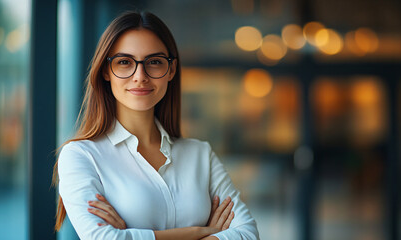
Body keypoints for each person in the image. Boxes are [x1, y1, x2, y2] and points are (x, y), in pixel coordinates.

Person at [53, 11, 259, 240]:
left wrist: (131, 235)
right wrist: (198, 233)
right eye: (124, 62)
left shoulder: (200, 154)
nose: (140, 76)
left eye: (154, 62)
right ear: (105, 70)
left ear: (171, 70)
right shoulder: (81, 156)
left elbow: (248, 234)